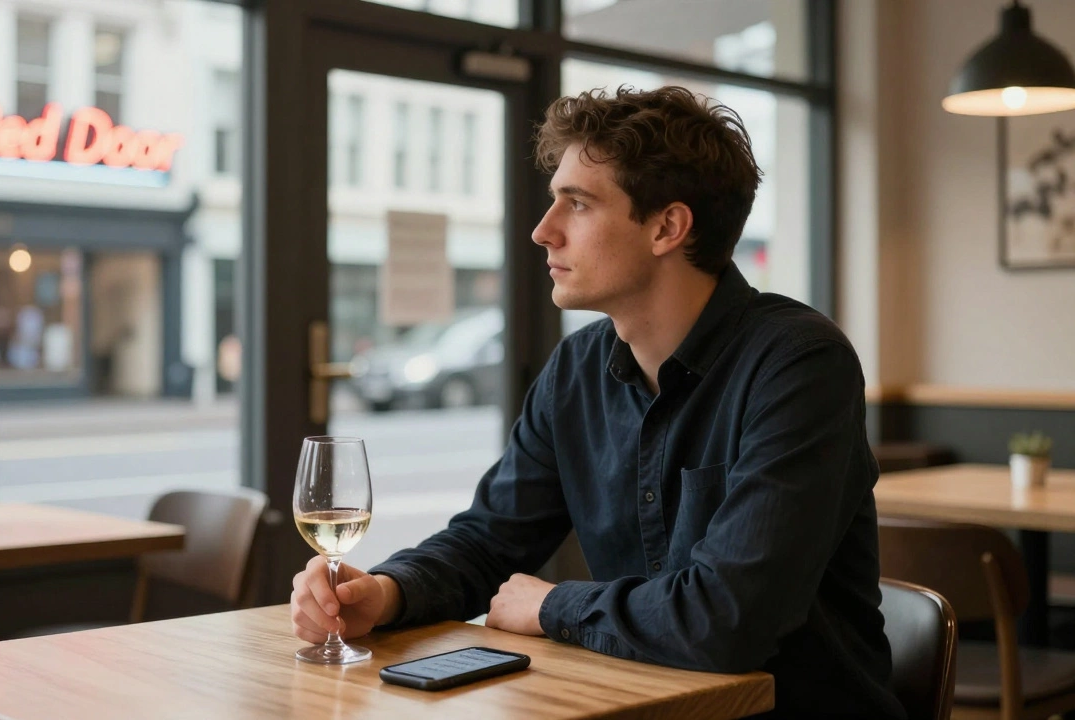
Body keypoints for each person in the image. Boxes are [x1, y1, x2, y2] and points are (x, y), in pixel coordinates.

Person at [291, 85, 906, 719]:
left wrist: (553, 606)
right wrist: (386, 592)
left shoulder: (799, 363)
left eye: (577, 204)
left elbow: (731, 619)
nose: (542, 231)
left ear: (668, 226)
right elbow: (489, 540)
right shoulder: (577, 368)